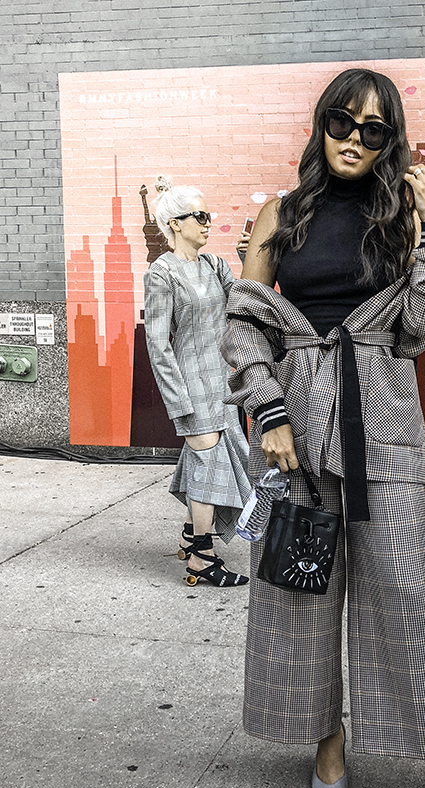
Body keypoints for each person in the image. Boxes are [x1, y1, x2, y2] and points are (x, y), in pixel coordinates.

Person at [220, 68, 425, 788]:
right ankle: (326, 735)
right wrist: (268, 412)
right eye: (344, 122)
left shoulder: (402, 215)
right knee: (304, 593)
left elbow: (422, 324)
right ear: (322, 123)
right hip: (296, 428)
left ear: (390, 142)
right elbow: (243, 324)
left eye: (375, 131)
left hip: (382, 424)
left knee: (409, 594)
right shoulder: (282, 213)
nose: (355, 140)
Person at [144, 175, 251, 587]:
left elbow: (241, 305)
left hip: (222, 386)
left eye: (208, 215)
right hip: (190, 388)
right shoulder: (162, 274)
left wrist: (246, 264)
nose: (208, 223)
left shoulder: (215, 265)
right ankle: (201, 558)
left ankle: (191, 536)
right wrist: (178, 402)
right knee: (208, 469)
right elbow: (158, 345)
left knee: (213, 465)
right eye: (200, 216)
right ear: (175, 223)